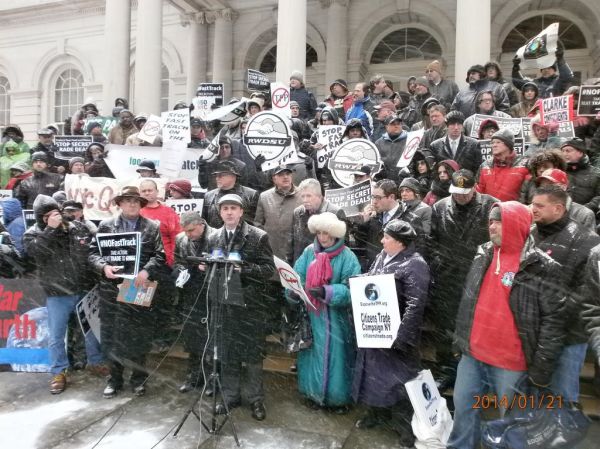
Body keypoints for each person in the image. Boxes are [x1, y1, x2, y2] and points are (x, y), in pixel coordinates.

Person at [448, 202, 564, 449]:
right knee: (463, 408)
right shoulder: (483, 254)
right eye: (490, 220)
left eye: (498, 220)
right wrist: (460, 341)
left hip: (511, 362)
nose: (491, 226)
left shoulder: (541, 265)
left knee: (510, 422)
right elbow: (467, 300)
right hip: (473, 354)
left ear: (516, 224)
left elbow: (553, 321)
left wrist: (541, 368)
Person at [353, 220, 430, 446]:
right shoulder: (381, 256)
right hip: (376, 329)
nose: (381, 240)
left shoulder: (416, 264)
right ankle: (376, 414)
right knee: (375, 377)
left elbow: (415, 304)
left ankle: (405, 427)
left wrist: (402, 335)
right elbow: (371, 281)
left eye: (386, 237)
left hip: (397, 334)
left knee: (400, 382)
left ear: (400, 242)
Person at [88, 186, 166, 398]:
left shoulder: (151, 227)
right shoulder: (105, 225)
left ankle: (139, 380)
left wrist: (146, 272)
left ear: (141, 204)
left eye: (136, 201)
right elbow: (93, 253)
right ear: (120, 203)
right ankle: (114, 380)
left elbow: (159, 256)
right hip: (111, 288)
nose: (132, 204)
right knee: (112, 335)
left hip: (138, 286)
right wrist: (104, 267)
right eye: (127, 200)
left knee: (138, 334)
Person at [23, 195, 104, 394]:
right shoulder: (32, 233)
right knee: (56, 336)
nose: (55, 218)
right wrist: (50, 229)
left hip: (84, 287)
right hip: (57, 292)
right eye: (48, 216)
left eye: (56, 213)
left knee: (91, 329)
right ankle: (58, 371)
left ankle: (96, 362)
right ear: (41, 218)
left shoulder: (77, 228)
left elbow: (92, 251)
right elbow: (34, 253)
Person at [205, 194, 275, 421]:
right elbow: (210, 265)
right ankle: (230, 396)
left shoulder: (258, 236)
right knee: (228, 353)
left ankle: (256, 400)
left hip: (251, 306)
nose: (229, 212)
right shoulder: (214, 236)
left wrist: (243, 269)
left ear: (241, 211)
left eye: (233, 208)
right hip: (224, 305)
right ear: (220, 212)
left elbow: (267, 270)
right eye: (225, 208)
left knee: (253, 356)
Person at [428, 169, 498, 389]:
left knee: (477, 326)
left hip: (479, 278)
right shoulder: (440, 207)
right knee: (445, 327)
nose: (459, 196)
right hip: (447, 278)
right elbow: (431, 240)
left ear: (475, 187)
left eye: (464, 193)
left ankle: (477, 373)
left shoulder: (491, 206)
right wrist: (439, 261)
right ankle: (447, 370)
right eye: (456, 192)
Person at [530, 185, 600, 403]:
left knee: (562, 396)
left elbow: (588, 293)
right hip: (534, 332)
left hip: (570, 335)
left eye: (539, 206)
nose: (533, 209)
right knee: (532, 395)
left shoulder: (587, 241)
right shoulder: (529, 233)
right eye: (533, 204)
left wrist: (552, 314)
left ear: (558, 208)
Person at [289, 212, 361, 413]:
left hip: (337, 320)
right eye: (319, 232)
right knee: (311, 357)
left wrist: (327, 291)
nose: (322, 237)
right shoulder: (308, 252)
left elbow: (353, 288)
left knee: (338, 360)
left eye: (327, 233)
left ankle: (338, 399)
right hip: (312, 317)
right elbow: (295, 276)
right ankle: (313, 394)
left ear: (335, 233)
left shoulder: (348, 256)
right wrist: (294, 293)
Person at [172, 212, 214, 393]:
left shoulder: (216, 236)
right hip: (191, 291)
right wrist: (183, 270)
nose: (188, 234)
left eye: (191, 230)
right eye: (186, 231)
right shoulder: (181, 239)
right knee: (192, 336)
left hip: (213, 292)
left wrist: (208, 266)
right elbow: (177, 262)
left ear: (201, 224)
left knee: (212, 336)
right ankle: (193, 375)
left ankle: (212, 377)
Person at [289, 178, 345, 264]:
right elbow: (292, 242)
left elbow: (342, 246)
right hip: (301, 266)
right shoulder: (297, 212)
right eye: (302, 196)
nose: (305, 200)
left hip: (327, 266)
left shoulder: (336, 212)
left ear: (319, 196)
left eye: (308, 196)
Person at [535, 168, 596, 233]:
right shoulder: (532, 211)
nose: (545, 190)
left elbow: (588, 242)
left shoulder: (584, 215)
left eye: (550, 185)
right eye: (542, 186)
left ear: (563, 187)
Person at [202, 160, 259, 229]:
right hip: (215, 238)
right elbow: (204, 222)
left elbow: (255, 223)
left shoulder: (251, 195)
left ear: (233, 176)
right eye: (216, 175)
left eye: (221, 175)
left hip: (242, 238)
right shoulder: (208, 196)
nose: (217, 178)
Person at [476, 128, 529, 201]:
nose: (494, 145)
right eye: (493, 142)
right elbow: (479, 193)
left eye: (498, 142)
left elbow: (528, 194)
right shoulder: (485, 166)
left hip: (514, 211)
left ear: (508, 145)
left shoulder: (525, 165)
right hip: (489, 211)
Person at [428, 111, 482, 175]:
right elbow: (434, 171)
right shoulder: (435, 146)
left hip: (466, 182)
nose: (456, 128)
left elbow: (478, 169)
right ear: (447, 126)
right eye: (453, 124)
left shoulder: (474, 144)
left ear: (462, 126)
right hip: (444, 182)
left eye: (459, 124)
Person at [561, 138, 600, 214]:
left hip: (589, 215)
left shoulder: (596, 173)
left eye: (568, 151)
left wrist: (585, 209)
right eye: (562, 151)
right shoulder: (559, 172)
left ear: (580, 153)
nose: (564, 154)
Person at [375, 115, 407, 182]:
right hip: (385, 182)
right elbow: (377, 164)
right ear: (386, 127)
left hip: (404, 181)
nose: (396, 126)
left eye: (398, 124)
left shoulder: (410, 139)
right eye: (393, 124)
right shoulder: (378, 143)